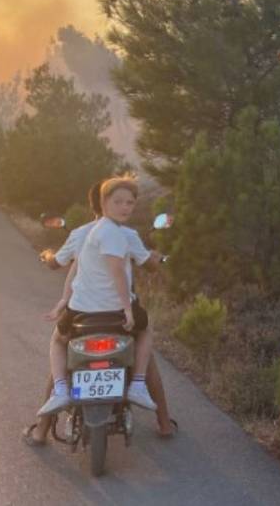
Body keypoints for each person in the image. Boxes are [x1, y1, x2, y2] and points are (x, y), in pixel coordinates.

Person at [25, 183, 177, 445]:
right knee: (145, 346)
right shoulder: (126, 234)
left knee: (63, 347)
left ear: (91, 204)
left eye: (128, 202)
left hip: (82, 314)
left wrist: (48, 257)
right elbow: (147, 266)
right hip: (118, 315)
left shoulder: (81, 234)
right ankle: (163, 423)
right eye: (120, 201)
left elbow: (57, 264)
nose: (125, 206)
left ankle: (41, 430)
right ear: (105, 203)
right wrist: (155, 258)